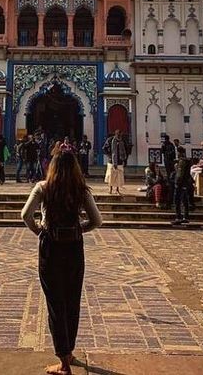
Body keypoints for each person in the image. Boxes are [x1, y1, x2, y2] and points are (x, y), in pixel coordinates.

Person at [21, 148, 102, 375]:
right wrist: (78, 230)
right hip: (74, 247)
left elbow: (25, 215)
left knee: (56, 304)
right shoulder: (80, 191)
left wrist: (41, 232)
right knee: (72, 300)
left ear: (52, 167)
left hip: (50, 248)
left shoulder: (43, 188)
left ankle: (64, 362)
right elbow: (98, 220)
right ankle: (68, 351)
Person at [172, 146, 192, 225]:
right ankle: (185, 216)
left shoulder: (181, 162)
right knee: (185, 200)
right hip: (186, 183)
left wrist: (177, 183)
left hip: (181, 183)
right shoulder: (187, 161)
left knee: (177, 200)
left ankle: (178, 217)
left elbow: (180, 174)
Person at [105, 129, 126, 194]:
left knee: (119, 177)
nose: (120, 136)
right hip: (111, 161)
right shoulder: (111, 140)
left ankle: (117, 189)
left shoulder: (121, 142)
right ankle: (110, 189)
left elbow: (124, 151)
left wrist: (124, 159)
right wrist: (110, 156)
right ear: (116, 134)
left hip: (119, 161)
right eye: (119, 135)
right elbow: (106, 149)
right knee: (111, 176)